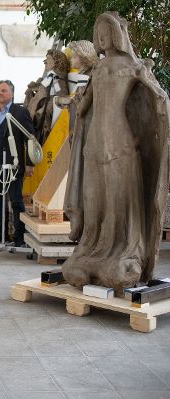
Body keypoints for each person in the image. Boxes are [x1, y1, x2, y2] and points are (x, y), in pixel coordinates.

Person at [62, 12, 170, 291]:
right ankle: (91, 249)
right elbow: (84, 110)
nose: (100, 37)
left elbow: (159, 100)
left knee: (120, 198)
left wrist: (159, 100)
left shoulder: (134, 66)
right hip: (95, 142)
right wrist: (77, 102)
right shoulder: (96, 70)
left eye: (105, 31)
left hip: (120, 141)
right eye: (97, 32)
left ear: (117, 35)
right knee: (96, 199)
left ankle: (125, 251)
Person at [0, 80, 35, 247]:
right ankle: (2, 233)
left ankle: (19, 237)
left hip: (13, 165)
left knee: (16, 200)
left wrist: (29, 163)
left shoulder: (19, 112)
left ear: (11, 94)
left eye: (3, 91)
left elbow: (30, 139)